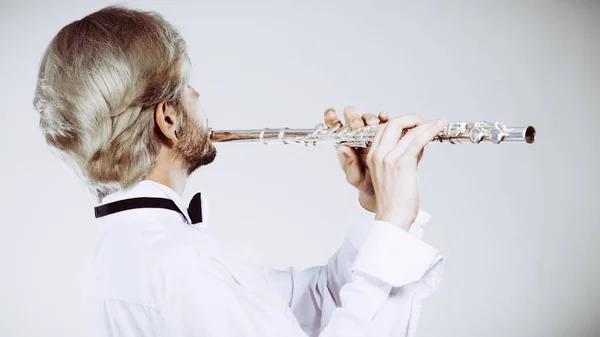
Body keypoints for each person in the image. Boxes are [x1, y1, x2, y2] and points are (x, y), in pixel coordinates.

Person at [33, 6, 446, 337]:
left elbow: (315, 303)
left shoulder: (144, 248)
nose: (198, 94)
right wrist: (394, 222)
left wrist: (375, 206)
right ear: (168, 119)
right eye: (187, 87)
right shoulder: (180, 266)